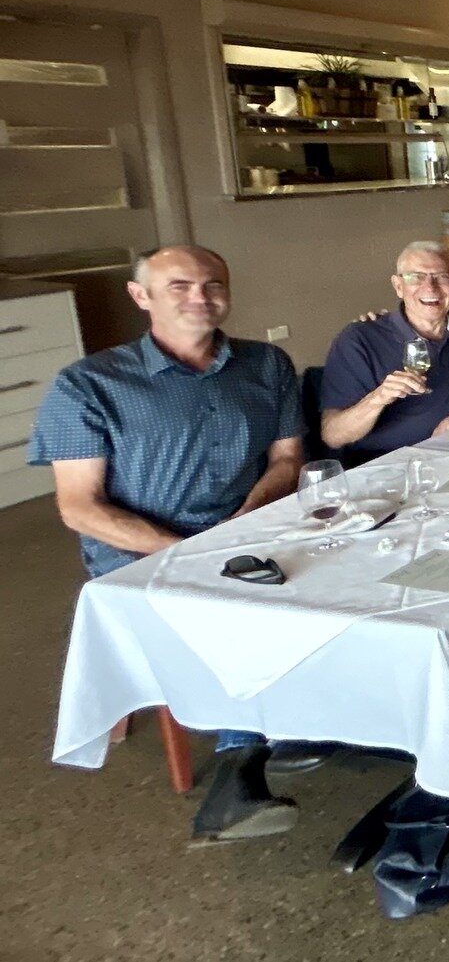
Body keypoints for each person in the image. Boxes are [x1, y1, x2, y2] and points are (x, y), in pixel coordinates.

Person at [29, 245, 309, 844]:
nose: (199, 298)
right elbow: (79, 508)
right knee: (237, 611)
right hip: (140, 561)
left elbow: (287, 460)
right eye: (179, 286)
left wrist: (240, 525)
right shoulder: (89, 385)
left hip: (244, 534)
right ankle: (238, 772)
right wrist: (186, 552)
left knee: (350, 576)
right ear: (142, 296)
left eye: (212, 284)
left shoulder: (267, 365)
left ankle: (302, 719)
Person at [320, 241, 449, 465]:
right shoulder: (359, 339)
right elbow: (333, 436)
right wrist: (379, 397)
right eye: (416, 277)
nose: (430, 288)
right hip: (390, 467)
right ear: (398, 286)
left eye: (442, 276)